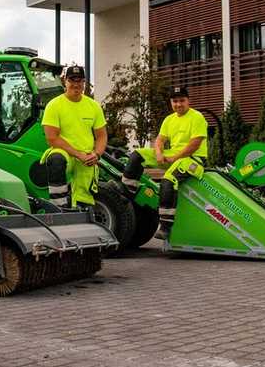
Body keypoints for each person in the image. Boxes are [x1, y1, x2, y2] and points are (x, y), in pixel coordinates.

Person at [121, 86, 208, 238]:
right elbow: (160, 140)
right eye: (175, 101)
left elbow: (195, 143)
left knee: (168, 180)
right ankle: (127, 193)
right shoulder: (169, 119)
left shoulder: (197, 117)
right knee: (137, 155)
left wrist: (175, 158)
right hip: (173, 157)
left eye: (182, 100)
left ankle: (166, 226)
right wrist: (159, 153)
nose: (178, 104)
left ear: (188, 101)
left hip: (193, 159)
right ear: (171, 102)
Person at [40, 64, 107, 209]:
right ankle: (59, 207)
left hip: (87, 156)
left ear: (84, 83)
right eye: (72, 80)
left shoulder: (94, 106)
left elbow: (101, 136)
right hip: (65, 153)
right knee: (56, 159)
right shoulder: (54, 105)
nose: (76, 84)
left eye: (80, 81)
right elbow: (52, 138)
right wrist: (78, 154)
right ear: (65, 81)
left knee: (84, 200)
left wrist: (96, 154)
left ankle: (83, 211)